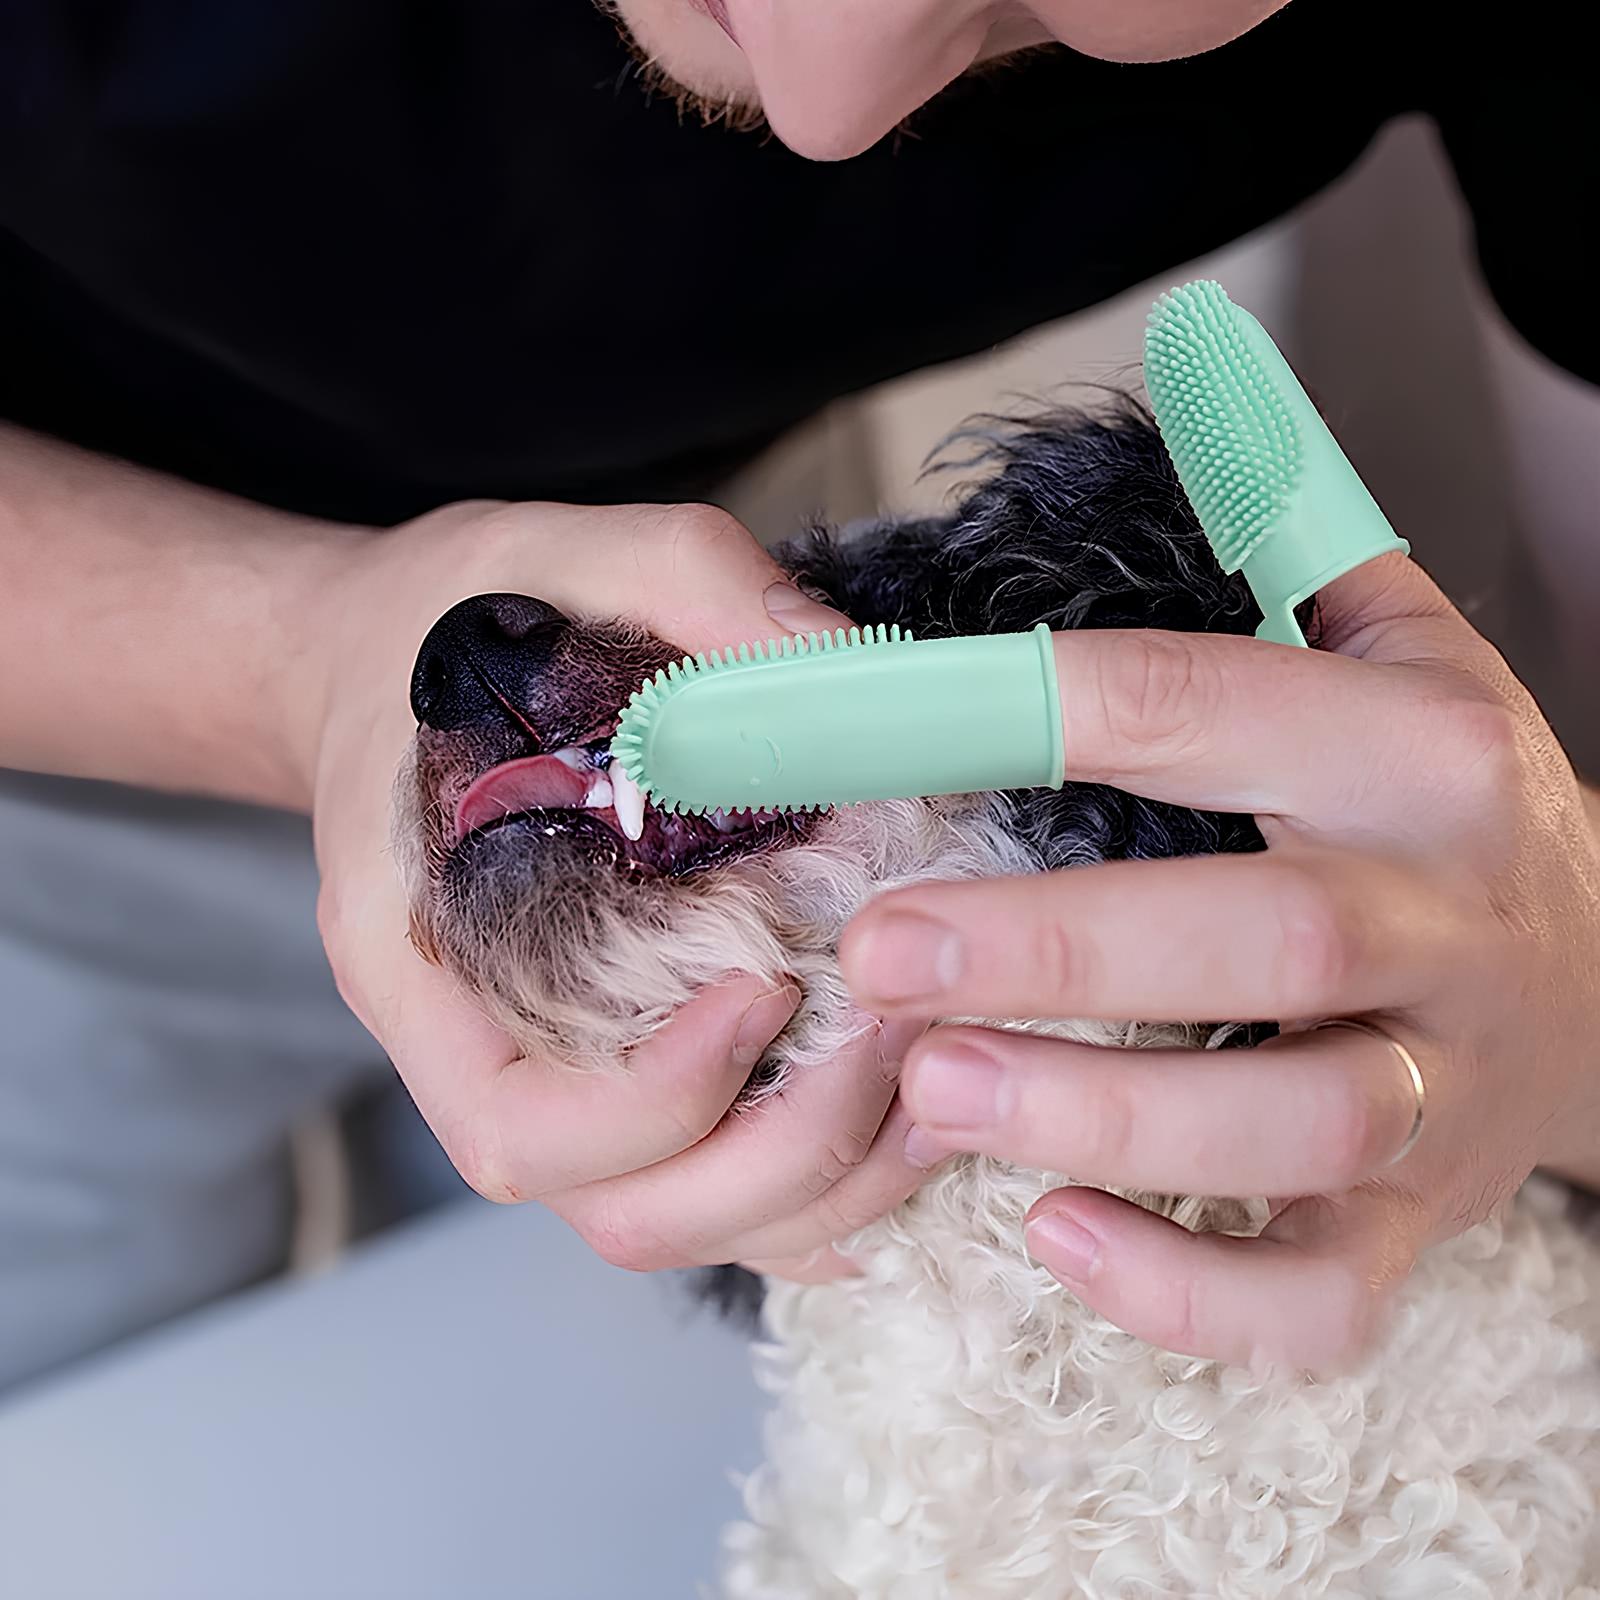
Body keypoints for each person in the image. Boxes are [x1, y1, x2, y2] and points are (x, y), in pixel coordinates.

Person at [0, 0, 1593, 1388]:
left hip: (724, 619)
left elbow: (1537, 816)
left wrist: (1562, 996)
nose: (834, 103)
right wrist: (290, 651)